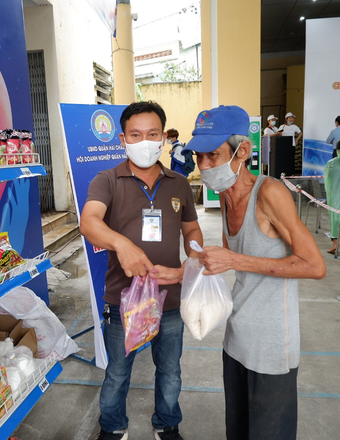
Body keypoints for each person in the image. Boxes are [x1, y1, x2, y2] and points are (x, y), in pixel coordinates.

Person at [168, 105, 326, 440]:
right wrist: (190, 270)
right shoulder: (226, 198)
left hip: (271, 347)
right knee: (237, 431)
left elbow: (315, 265)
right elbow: (229, 260)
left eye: (214, 155)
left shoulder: (269, 193)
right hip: (236, 338)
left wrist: (234, 261)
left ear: (242, 151)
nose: (205, 166)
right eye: (199, 157)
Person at [80, 101, 203, 440]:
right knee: (118, 372)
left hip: (170, 297)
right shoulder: (107, 180)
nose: (144, 142)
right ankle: (113, 427)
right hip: (123, 300)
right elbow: (89, 222)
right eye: (136, 134)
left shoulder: (179, 183)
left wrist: (192, 261)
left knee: (170, 371)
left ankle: (167, 424)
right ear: (122, 138)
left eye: (152, 134)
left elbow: (192, 231)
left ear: (163, 137)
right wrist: (122, 245)